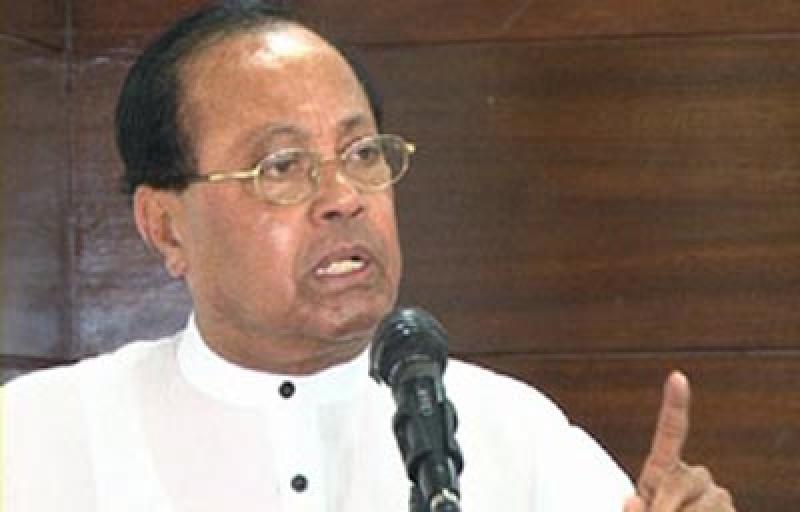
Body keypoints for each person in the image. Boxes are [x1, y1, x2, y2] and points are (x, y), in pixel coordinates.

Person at [3, 2, 735, 511]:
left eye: (361, 153)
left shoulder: (515, 433)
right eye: (282, 166)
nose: (344, 197)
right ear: (166, 228)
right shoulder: (33, 440)